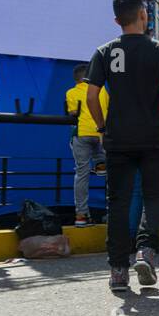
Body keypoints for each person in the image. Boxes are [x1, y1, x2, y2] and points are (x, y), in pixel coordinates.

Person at [85, 0, 159, 293]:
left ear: (117, 20)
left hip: (118, 137)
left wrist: (102, 124)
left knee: (118, 202)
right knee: (154, 195)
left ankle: (118, 270)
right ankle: (145, 251)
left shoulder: (104, 52)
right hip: (153, 137)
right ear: (144, 15)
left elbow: (92, 96)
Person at [65, 64, 107, 228]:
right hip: (102, 135)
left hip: (82, 134)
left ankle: (81, 216)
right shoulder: (103, 90)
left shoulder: (72, 92)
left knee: (81, 173)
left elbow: (73, 112)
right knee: (112, 173)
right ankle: (100, 163)